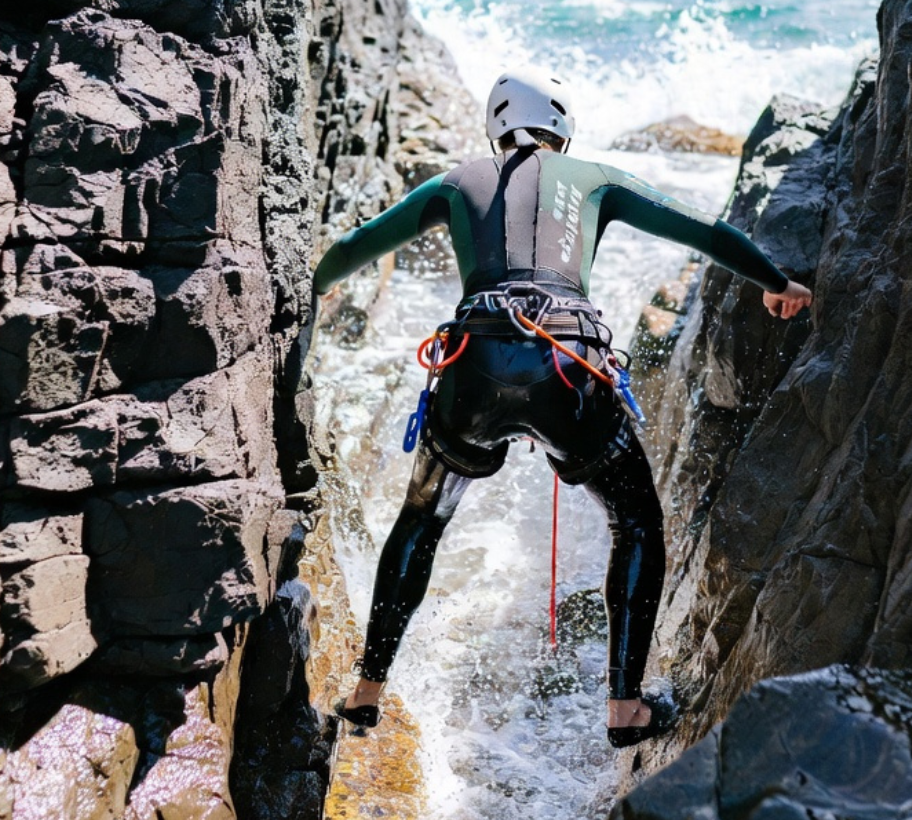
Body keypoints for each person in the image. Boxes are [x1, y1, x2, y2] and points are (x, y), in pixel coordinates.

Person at [313, 68, 812, 747]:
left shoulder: (457, 181)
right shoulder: (593, 178)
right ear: (561, 126)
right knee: (635, 521)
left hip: (473, 367)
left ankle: (367, 689)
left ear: (496, 128)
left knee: (421, 520)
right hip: (566, 366)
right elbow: (701, 229)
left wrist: (302, 297)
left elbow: (349, 250)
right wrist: (777, 281)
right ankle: (626, 707)